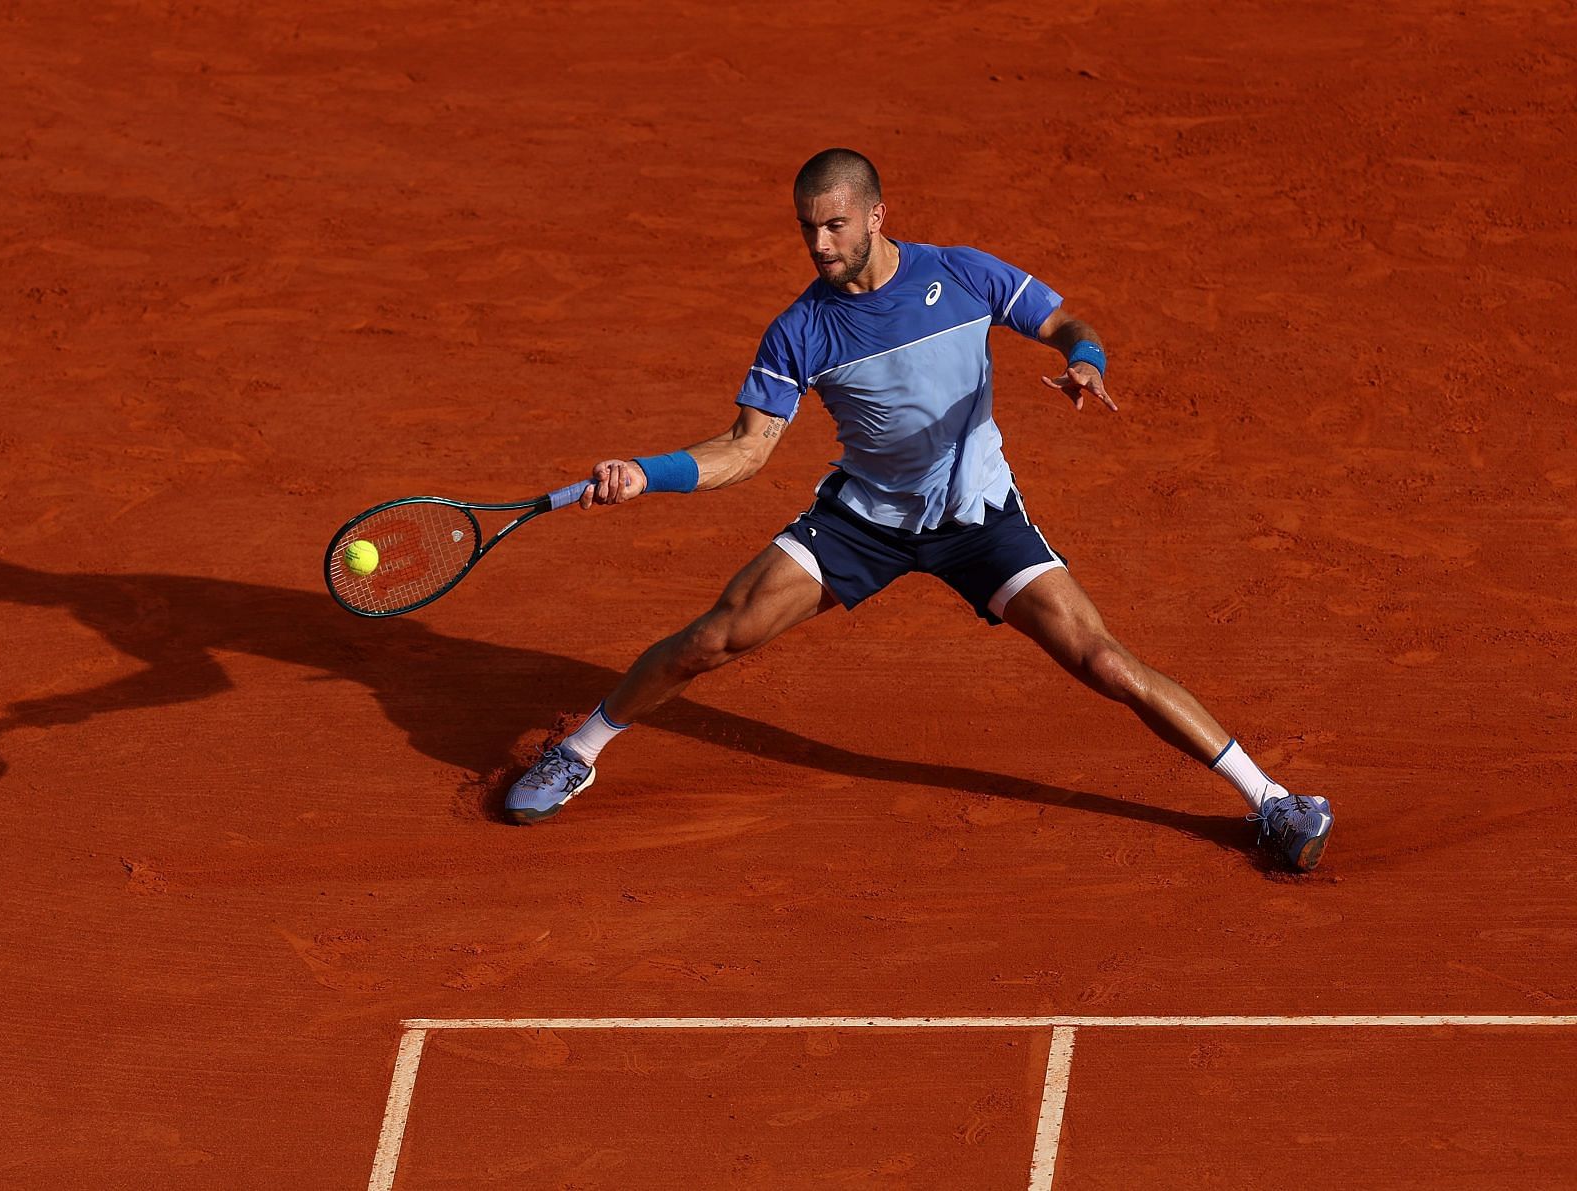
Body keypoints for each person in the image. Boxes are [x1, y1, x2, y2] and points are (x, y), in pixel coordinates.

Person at [504, 148, 1333, 871]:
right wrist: (647, 474)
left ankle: (1272, 800)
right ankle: (578, 750)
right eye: (806, 230)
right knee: (715, 636)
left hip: (981, 521)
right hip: (867, 521)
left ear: (875, 214)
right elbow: (746, 449)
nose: (819, 244)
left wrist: (1084, 358)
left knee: (1104, 661)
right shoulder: (801, 329)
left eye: (833, 225)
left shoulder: (963, 274)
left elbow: (1064, 319)